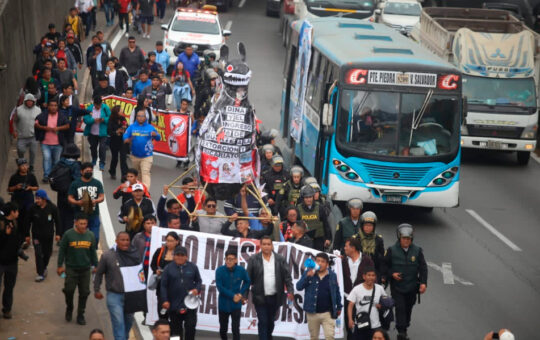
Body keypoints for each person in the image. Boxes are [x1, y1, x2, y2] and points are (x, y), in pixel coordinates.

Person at [94, 231, 146, 340]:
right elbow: (99, 273)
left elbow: (140, 274)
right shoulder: (108, 256)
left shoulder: (135, 255)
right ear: (116, 241)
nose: (125, 242)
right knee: (118, 323)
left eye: (127, 240)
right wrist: (96, 289)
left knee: (128, 324)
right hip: (114, 295)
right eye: (122, 240)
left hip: (131, 296)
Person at [384, 224, 427, 340]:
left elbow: (423, 268)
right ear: (399, 238)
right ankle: (401, 332)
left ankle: (404, 327)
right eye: (404, 238)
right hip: (397, 288)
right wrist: (392, 274)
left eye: (408, 239)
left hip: (412, 287)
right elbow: (384, 266)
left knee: (408, 308)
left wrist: (423, 283)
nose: (406, 241)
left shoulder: (417, 251)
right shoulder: (391, 250)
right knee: (400, 308)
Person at [247, 236, 294, 340]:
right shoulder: (253, 259)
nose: (267, 246)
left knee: (270, 322)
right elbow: (247, 279)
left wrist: (290, 291)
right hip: (260, 297)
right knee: (263, 322)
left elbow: (287, 277)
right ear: (260, 245)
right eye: (264, 244)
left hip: (275, 297)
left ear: (272, 246)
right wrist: (244, 296)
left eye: (269, 244)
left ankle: (268, 337)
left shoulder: (280, 259)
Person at [57, 213, 98, 325]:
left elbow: (93, 252)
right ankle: (69, 308)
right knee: (69, 290)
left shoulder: (90, 236)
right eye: (81, 223)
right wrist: (60, 266)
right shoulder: (68, 235)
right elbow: (62, 251)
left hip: (85, 269)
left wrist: (96, 265)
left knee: (84, 292)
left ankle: (81, 314)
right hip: (71, 269)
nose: (83, 226)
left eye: (85, 223)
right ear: (75, 223)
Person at [296, 252, 342, 340]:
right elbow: (298, 287)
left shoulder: (332, 275)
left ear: (327, 264)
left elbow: (336, 291)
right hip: (312, 312)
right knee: (314, 337)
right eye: (318, 261)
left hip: (327, 313)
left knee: (330, 337)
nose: (320, 263)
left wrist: (339, 307)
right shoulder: (309, 272)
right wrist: (307, 277)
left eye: (323, 261)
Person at [160, 246, 202, 339]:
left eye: (182, 255)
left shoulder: (193, 267)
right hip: (174, 304)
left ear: (186, 256)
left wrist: (196, 289)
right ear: (174, 256)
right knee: (175, 330)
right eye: (177, 255)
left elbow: (199, 281)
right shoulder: (168, 268)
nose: (179, 257)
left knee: (191, 327)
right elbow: (163, 286)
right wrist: (164, 300)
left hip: (190, 304)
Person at [342, 238, 374, 340]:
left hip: (362, 299)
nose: (344, 248)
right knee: (349, 325)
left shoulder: (366, 260)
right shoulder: (343, 261)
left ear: (353, 248)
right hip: (347, 298)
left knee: (362, 325)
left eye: (346, 246)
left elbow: (373, 277)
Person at [216, 249, 251, 340]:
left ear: (236, 260)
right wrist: (233, 296)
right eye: (227, 259)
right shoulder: (220, 270)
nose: (228, 261)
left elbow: (247, 282)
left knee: (236, 329)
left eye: (231, 259)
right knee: (223, 329)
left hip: (236, 305)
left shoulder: (241, 270)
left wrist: (240, 294)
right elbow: (220, 287)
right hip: (223, 304)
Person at [26, 189, 60, 282]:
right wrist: (27, 235)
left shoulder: (52, 208)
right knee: (38, 254)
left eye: (38, 199)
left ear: (44, 199)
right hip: (36, 236)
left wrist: (58, 234)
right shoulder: (32, 208)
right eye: (36, 198)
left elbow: (57, 221)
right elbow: (27, 222)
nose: (36, 200)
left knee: (47, 253)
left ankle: (44, 267)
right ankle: (40, 273)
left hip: (48, 236)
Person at [67, 162, 105, 245]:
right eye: (87, 171)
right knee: (80, 238)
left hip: (94, 214)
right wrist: (77, 202)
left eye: (90, 171)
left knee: (95, 237)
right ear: (81, 172)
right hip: (80, 214)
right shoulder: (75, 183)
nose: (89, 172)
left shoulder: (97, 183)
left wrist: (96, 200)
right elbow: (70, 197)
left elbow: (102, 197)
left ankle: (92, 253)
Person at [123, 109, 161, 189]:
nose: (140, 118)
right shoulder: (131, 127)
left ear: (145, 117)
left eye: (142, 116)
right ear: (136, 117)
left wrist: (156, 135)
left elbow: (158, 138)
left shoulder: (150, 127)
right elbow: (125, 137)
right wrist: (128, 139)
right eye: (139, 116)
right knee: (137, 175)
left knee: (145, 173)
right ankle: (137, 190)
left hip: (147, 156)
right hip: (135, 156)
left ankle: (146, 192)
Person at [34, 98, 69, 183]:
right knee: (47, 158)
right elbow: (36, 124)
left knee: (56, 160)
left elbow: (68, 125)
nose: (53, 107)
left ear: (57, 107)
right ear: (48, 107)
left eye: (55, 105)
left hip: (58, 143)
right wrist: (44, 128)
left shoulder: (61, 116)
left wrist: (58, 128)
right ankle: (46, 176)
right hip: (45, 143)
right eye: (51, 105)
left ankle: (53, 176)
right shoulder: (43, 115)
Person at [347, 267, 386, 340]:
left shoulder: (380, 288)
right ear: (364, 276)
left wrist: (381, 306)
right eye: (369, 275)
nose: (371, 277)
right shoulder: (357, 289)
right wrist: (350, 319)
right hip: (361, 324)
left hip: (375, 325)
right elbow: (350, 305)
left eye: (373, 275)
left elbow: (385, 302)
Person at [8, 158, 39, 248]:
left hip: (28, 201)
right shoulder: (14, 177)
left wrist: (30, 188)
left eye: (26, 165)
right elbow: (9, 189)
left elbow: (36, 187)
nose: (25, 167)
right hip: (17, 201)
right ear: (19, 167)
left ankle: (26, 238)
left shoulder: (31, 176)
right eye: (22, 166)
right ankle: (19, 239)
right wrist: (16, 187)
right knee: (18, 220)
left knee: (27, 220)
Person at [150, 231, 179, 318]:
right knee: (161, 307)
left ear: (177, 241)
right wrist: (156, 271)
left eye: (171, 241)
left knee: (174, 309)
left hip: (175, 285)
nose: (169, 243)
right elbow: (153, 264)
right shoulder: (160, 251)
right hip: (161, 284)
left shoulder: (180, 253)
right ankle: (163, 323)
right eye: (167, 240)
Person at [0, 203, 22, 319]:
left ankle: (7, 309)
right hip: (1, 262)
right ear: (12, 212)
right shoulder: (1, 223)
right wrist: (5, 234)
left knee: (9, 287)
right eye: (16, 211)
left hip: (12, 262)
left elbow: (16, 239)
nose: (18, 213)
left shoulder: (15, 223)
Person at [297, 185, 332, 251]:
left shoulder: (320, 207)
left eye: (310, 197)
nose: (308, 199)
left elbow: (325, 223)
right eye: (306, 197)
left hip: (318, 239)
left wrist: (328, 238)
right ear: (303, 198)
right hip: (303, 240)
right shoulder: (298, 208)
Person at [13, 94, 41, 172]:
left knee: (33, 152)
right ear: (25, 101)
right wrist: (15, 130)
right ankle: (21, 164)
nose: (29, 102)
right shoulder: (19, 109)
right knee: (20, 150)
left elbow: (41, 122)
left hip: (33, 136)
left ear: (33, 102)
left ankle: (31, 166)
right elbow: (14, 121)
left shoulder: (38, 110)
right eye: (28, 101)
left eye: (31, 101)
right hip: (22, 136)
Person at [353, 212, 385, 280]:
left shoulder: (378, 240)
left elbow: (382, 259)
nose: (368, 228)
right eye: (366, 225)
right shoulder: (356, 239)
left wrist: (382, 275)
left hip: (374, 273)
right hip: (358, 272)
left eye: (370, 225)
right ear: (362, 226)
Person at [84, 96, 111, 171]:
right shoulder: (89, 108)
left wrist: (104, 119)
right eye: (96, 106)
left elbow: (110, 118)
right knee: (93, 147)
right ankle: (94, 159)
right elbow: (85, 119)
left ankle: (102, 163)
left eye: (99, 106)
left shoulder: (105, 108)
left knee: (102, 148)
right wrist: (93, 120)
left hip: (103, 132)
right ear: (94, 104)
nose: (98, 107)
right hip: (92, 132)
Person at [108, 105, 129, 180]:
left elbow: (127, 126)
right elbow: (109, 132)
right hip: (114, 141)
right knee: (115, 158)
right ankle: (112, 171)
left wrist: (125, 127)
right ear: (117, 112)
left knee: (123, 158)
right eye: (121, 110)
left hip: (122, 141)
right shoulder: (111, 120)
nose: (122, 112)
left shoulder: (123, 118)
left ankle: (124, 175)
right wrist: (117, 131)